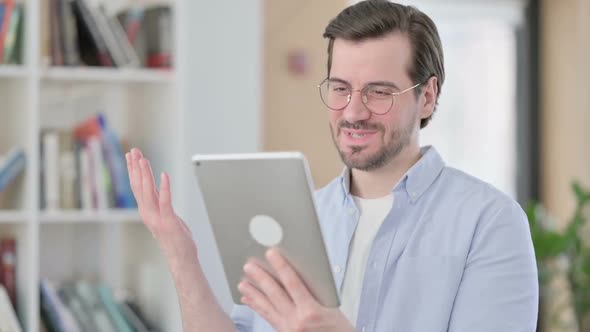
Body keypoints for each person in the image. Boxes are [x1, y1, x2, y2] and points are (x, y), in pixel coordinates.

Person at [125, 0, 539, 331]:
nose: (353, 111)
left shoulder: (491, 225)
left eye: (379, 92)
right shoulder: (300, 219)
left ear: (427, 96)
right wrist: (180, 256)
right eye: (340, 88)